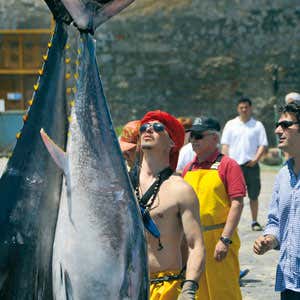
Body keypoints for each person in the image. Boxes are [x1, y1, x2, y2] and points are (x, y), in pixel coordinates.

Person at [136, 110, 205, 300]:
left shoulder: (180, 190)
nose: (148, 129)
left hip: (164, 288)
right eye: (144, 127)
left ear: (172, 142)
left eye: (158, 127)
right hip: (127, 284)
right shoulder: (122, 185)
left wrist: (189, 289)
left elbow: (195, 245)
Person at [182, 116, 245, 300]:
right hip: (194, 242)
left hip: (218, 237)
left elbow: (237, 203)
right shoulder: (188, 168)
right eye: (192, 136)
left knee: (224, 292)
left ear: (215, 138)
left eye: (199, 136)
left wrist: (224, 240)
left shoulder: (228, 165)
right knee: (198, 292)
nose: (193, 140)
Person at [253, 102, 300, 300]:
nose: (277, 130)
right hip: (288, 279)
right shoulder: (282, 175)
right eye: (277, 124)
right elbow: (275, 222)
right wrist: (270, 240)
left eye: (286, 125)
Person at [221, 97, 268, 231]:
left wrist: (255, 160)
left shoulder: (257, 125)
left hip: (251, 165)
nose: (244, 110)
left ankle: (254, 221)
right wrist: (227, 162)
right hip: (234, 166)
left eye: (246, 107)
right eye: (241, 107)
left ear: (250, 108)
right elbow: (225, 145)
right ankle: (230, 223)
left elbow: (262, 145)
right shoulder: (231, 124)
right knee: (232, 196)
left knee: (254, 195)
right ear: (238, 109)